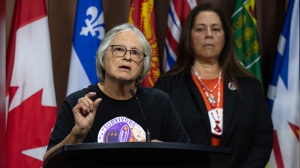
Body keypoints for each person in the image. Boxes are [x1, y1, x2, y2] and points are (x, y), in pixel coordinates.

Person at [43, 23, 190, 161]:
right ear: (103, 57)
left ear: (143, 65)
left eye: (135, 53)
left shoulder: (160, 103)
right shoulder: (80, 103)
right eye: (119, 49)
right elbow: (49, 162)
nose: (127, 57)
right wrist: (77, 133)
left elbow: (187, 157)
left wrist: (165, 151)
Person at [154, 3, 273, 168]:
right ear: (188, 36)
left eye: (216, 29)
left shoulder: (249, 85)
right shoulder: (167, 86)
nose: (209, 35)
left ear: (225, 36)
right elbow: (158, 141)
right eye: (200, 29)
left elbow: (263, 139)